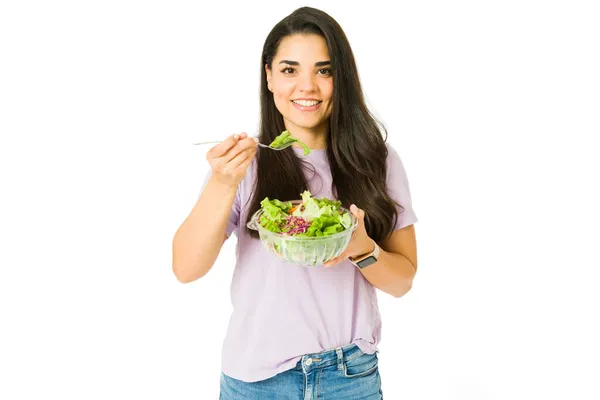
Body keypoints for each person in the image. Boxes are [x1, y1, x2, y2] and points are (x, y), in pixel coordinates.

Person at [172, 6, 418, 399]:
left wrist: (361, 248)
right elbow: (185, 269)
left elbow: (403, 281)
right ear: (268, 76)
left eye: (324, 70)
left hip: (349, 377)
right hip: (256, 381)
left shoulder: (378, 160)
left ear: (343, 78)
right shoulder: (243, 163)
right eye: (290, 70)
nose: (307, 87)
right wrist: (221, 183)